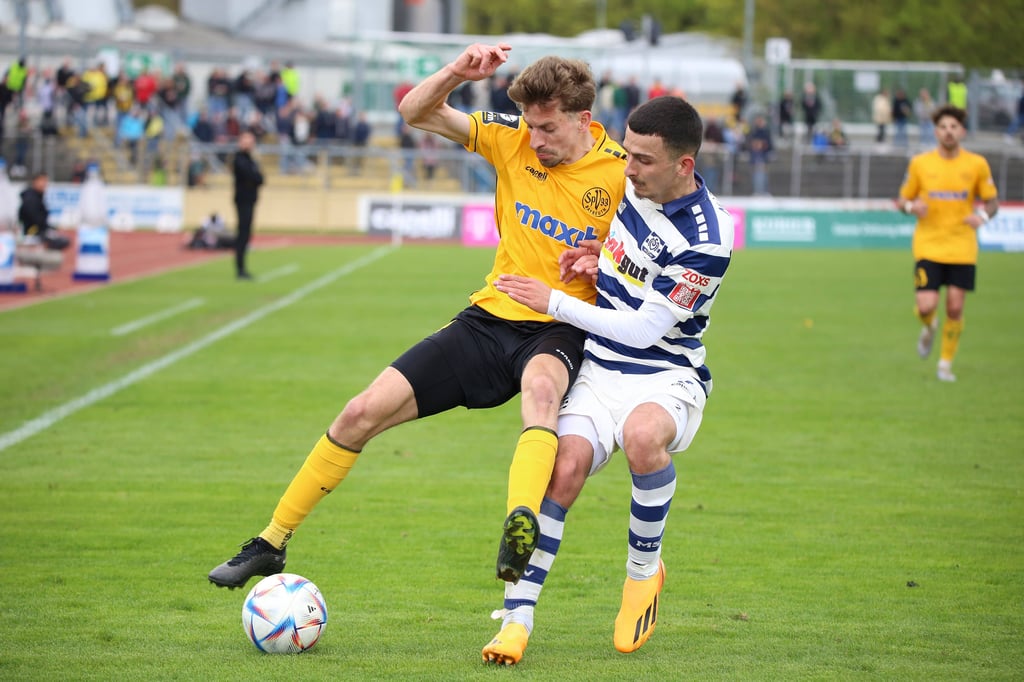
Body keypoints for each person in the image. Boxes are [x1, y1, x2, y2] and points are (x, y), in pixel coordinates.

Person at [207, 43, 627, 591]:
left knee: (542, 396)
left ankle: (519, 526)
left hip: (561, 325)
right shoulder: (511, 137)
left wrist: (606, 263)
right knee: (360, 411)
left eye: (547, 128)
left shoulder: (622, 174)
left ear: (583, 120)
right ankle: (270, 541)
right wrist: (456, 72)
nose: (536, 138)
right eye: (530, 124)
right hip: (488, 319)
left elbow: (648, 261)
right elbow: (416, 113)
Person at [487, 95, 734, 664]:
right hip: (601, 366)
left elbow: (647, 329)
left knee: (645, 438)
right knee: (563, 467)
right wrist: (599, 256)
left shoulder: (708, 237)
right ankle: (516, 618)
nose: (628, 169)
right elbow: (632, 260)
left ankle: (643, 573)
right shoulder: (632, 184)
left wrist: (552, 301)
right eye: (629, 154)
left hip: (666, 372)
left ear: (683, 166)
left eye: (644, 161)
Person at [897, 105, 998, 382]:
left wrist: (981, 216)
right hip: (928, 244)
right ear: (936, 131)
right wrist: (910, 208)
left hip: (962, 246)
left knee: (955, 307)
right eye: (943, 127)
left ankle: (944, 364)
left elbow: (992, 202)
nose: (948, 132)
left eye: (954, 127)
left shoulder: (976, 164)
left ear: (962, 131)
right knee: (927, 305)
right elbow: (901, 200)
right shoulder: (920, 163)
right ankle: (929, 328)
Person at [231, 130, 263, 280]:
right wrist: (255, 177)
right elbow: (252, 176)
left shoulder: (251, 159)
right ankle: (240, 268)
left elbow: (260, 178)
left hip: (250, 200)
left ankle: (242, 267)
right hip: (242, 199)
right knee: (242, 234)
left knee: (246, 234)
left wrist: (255, 177)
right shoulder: (239, 159)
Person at [18, 173, 70, 250]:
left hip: (37, 231)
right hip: (32, 233)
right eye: (42, 181)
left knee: (61, 239)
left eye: (46, 181)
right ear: (35, 182)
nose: (45, 184)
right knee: (60, 241)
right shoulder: (31, 199)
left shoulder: (38, 197)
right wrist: (45, 230)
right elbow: (34, 219)